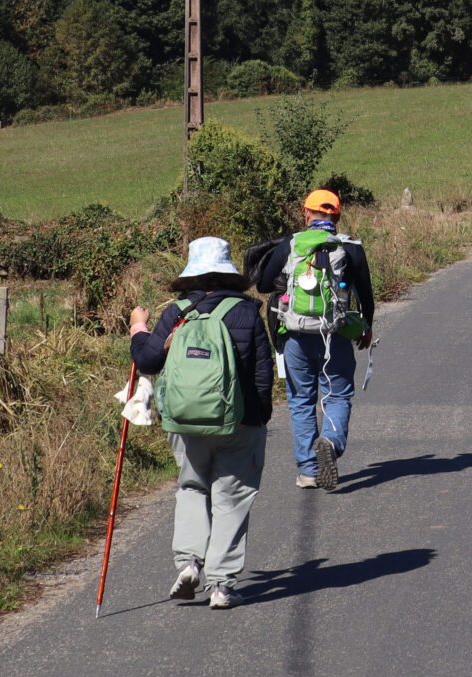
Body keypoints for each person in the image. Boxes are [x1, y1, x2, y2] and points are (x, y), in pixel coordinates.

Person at [129, 235, 275, 610]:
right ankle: (222, 585)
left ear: (191, 274)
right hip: (238, 423)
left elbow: (147, 361)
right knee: (232, 498)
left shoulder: (177, 311)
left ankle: (189, 562)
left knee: (192, 488)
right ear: (228, 272)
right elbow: (262, 373)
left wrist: (137, 327)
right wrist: (256, 420)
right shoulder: (246, 313)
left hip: (185, 423)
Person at [246, 191, 375, 493]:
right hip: (337, 335)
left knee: (301, 400)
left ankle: (307, 471)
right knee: (338, 395)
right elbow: (365, 294)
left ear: (305, 213)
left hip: (295, 336)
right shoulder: (350, 247)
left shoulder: (291, 244)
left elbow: (264, 285)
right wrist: (366, 327)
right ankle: (330, 440)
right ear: (337, 217)